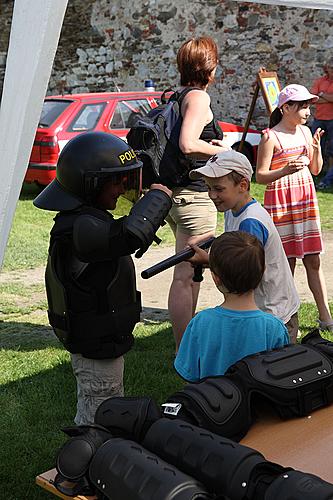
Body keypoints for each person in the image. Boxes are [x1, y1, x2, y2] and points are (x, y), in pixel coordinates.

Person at [33, 132, 172, 425]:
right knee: (98, 419)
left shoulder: (88, 218)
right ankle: (82, 467)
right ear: (90, 183)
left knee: (104, 410)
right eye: (116, 181)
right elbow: (129, 235)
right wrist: (159, 196)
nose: (123, 188)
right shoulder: (79, 228)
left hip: (103, 345)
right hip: (95, 352)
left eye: (126, 180)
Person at [187, 150, 300, 343]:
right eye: (208, 187)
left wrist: (210, 260)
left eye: (219, 189)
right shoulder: (233, 210)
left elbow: (244, 268)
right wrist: (211, 239)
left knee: (273, 369)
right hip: (262, 312)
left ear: (242, 185)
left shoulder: (251, 222)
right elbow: (234, 243)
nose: (212, 195)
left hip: (274, 315)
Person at [167, 36, 230, 351]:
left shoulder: (176, 94)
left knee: (190, 272)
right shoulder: (198, 98)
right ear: (210, 67)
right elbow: (188, 144)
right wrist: (218, 151)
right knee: (186, 274)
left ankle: (185, 343)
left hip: (175, 194)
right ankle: (183, 349)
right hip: (193, 196)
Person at [256, 84, 333, 332]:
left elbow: (316, 170)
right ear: (285, 107)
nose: (308, 111)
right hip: (281, 204)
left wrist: (317, 150)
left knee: (313, 260)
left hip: (305, 201)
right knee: (285, 263)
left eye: (309, 105)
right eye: (302, 106)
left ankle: (326, 317)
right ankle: (287, 320)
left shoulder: (305, 132)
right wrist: (283, 170)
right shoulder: (270, 136)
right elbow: (260, 176)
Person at [174, 231, 289, 382]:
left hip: (210, 403)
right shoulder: (275, 328)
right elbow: (282, 377)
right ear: (262, 272)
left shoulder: (201, 322)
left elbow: (189, 374)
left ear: (216, 278)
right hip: (259, 405)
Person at [310, 57, 333, 189]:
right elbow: (313, 99)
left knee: (331, 151)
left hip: (332, 120)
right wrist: (328, 98)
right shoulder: (320, 81)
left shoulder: (321, 85)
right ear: (327, 68)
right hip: (319, 119)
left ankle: (327, 178)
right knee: (313, 147)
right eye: (331, 68)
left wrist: (322, 94)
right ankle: (313, 174)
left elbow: (318, 97)